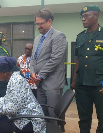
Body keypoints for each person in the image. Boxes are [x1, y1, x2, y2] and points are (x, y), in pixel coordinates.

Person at [0, 56, 46, 133]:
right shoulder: (13, 78)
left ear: (4, 73)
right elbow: (10, 98)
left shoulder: (16, 82)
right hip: (23, 115)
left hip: (29, 121)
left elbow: (12, 110)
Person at [30, 8, 67, 118]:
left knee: (53, 115)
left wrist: (40, 75)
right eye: (36, 24)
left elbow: (55, 59)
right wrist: (32, 72)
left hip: (53, 84)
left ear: (49, 21)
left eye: (41, 24)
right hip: (39, 83)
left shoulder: (59, 36)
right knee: (42, 114)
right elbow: (33, 58)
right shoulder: (37, 38)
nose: (38, 27)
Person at [71, 5, 103, 133]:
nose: (83, 19)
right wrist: (74, 80)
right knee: (84, 118)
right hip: (82, 84)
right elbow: (78, 59)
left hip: (99, 84)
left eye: (86, 16)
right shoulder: (80, 37)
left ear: (96, 16)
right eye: (82, 17)